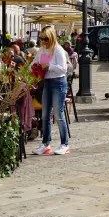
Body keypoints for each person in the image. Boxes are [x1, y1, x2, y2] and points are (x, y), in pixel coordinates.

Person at [32, 27, 71, 156]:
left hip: (58, 82)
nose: (43, 41)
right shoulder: (42, 50)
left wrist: (49, 66)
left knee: (58, 115)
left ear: (52, 37)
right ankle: (45, 144)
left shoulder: (58, 50)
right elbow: (34, 62)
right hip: (47, 83)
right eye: (41, 38)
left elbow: (63, 69)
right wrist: (32, 66)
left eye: (45, 38)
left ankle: (64, 144)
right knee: (45, 115)